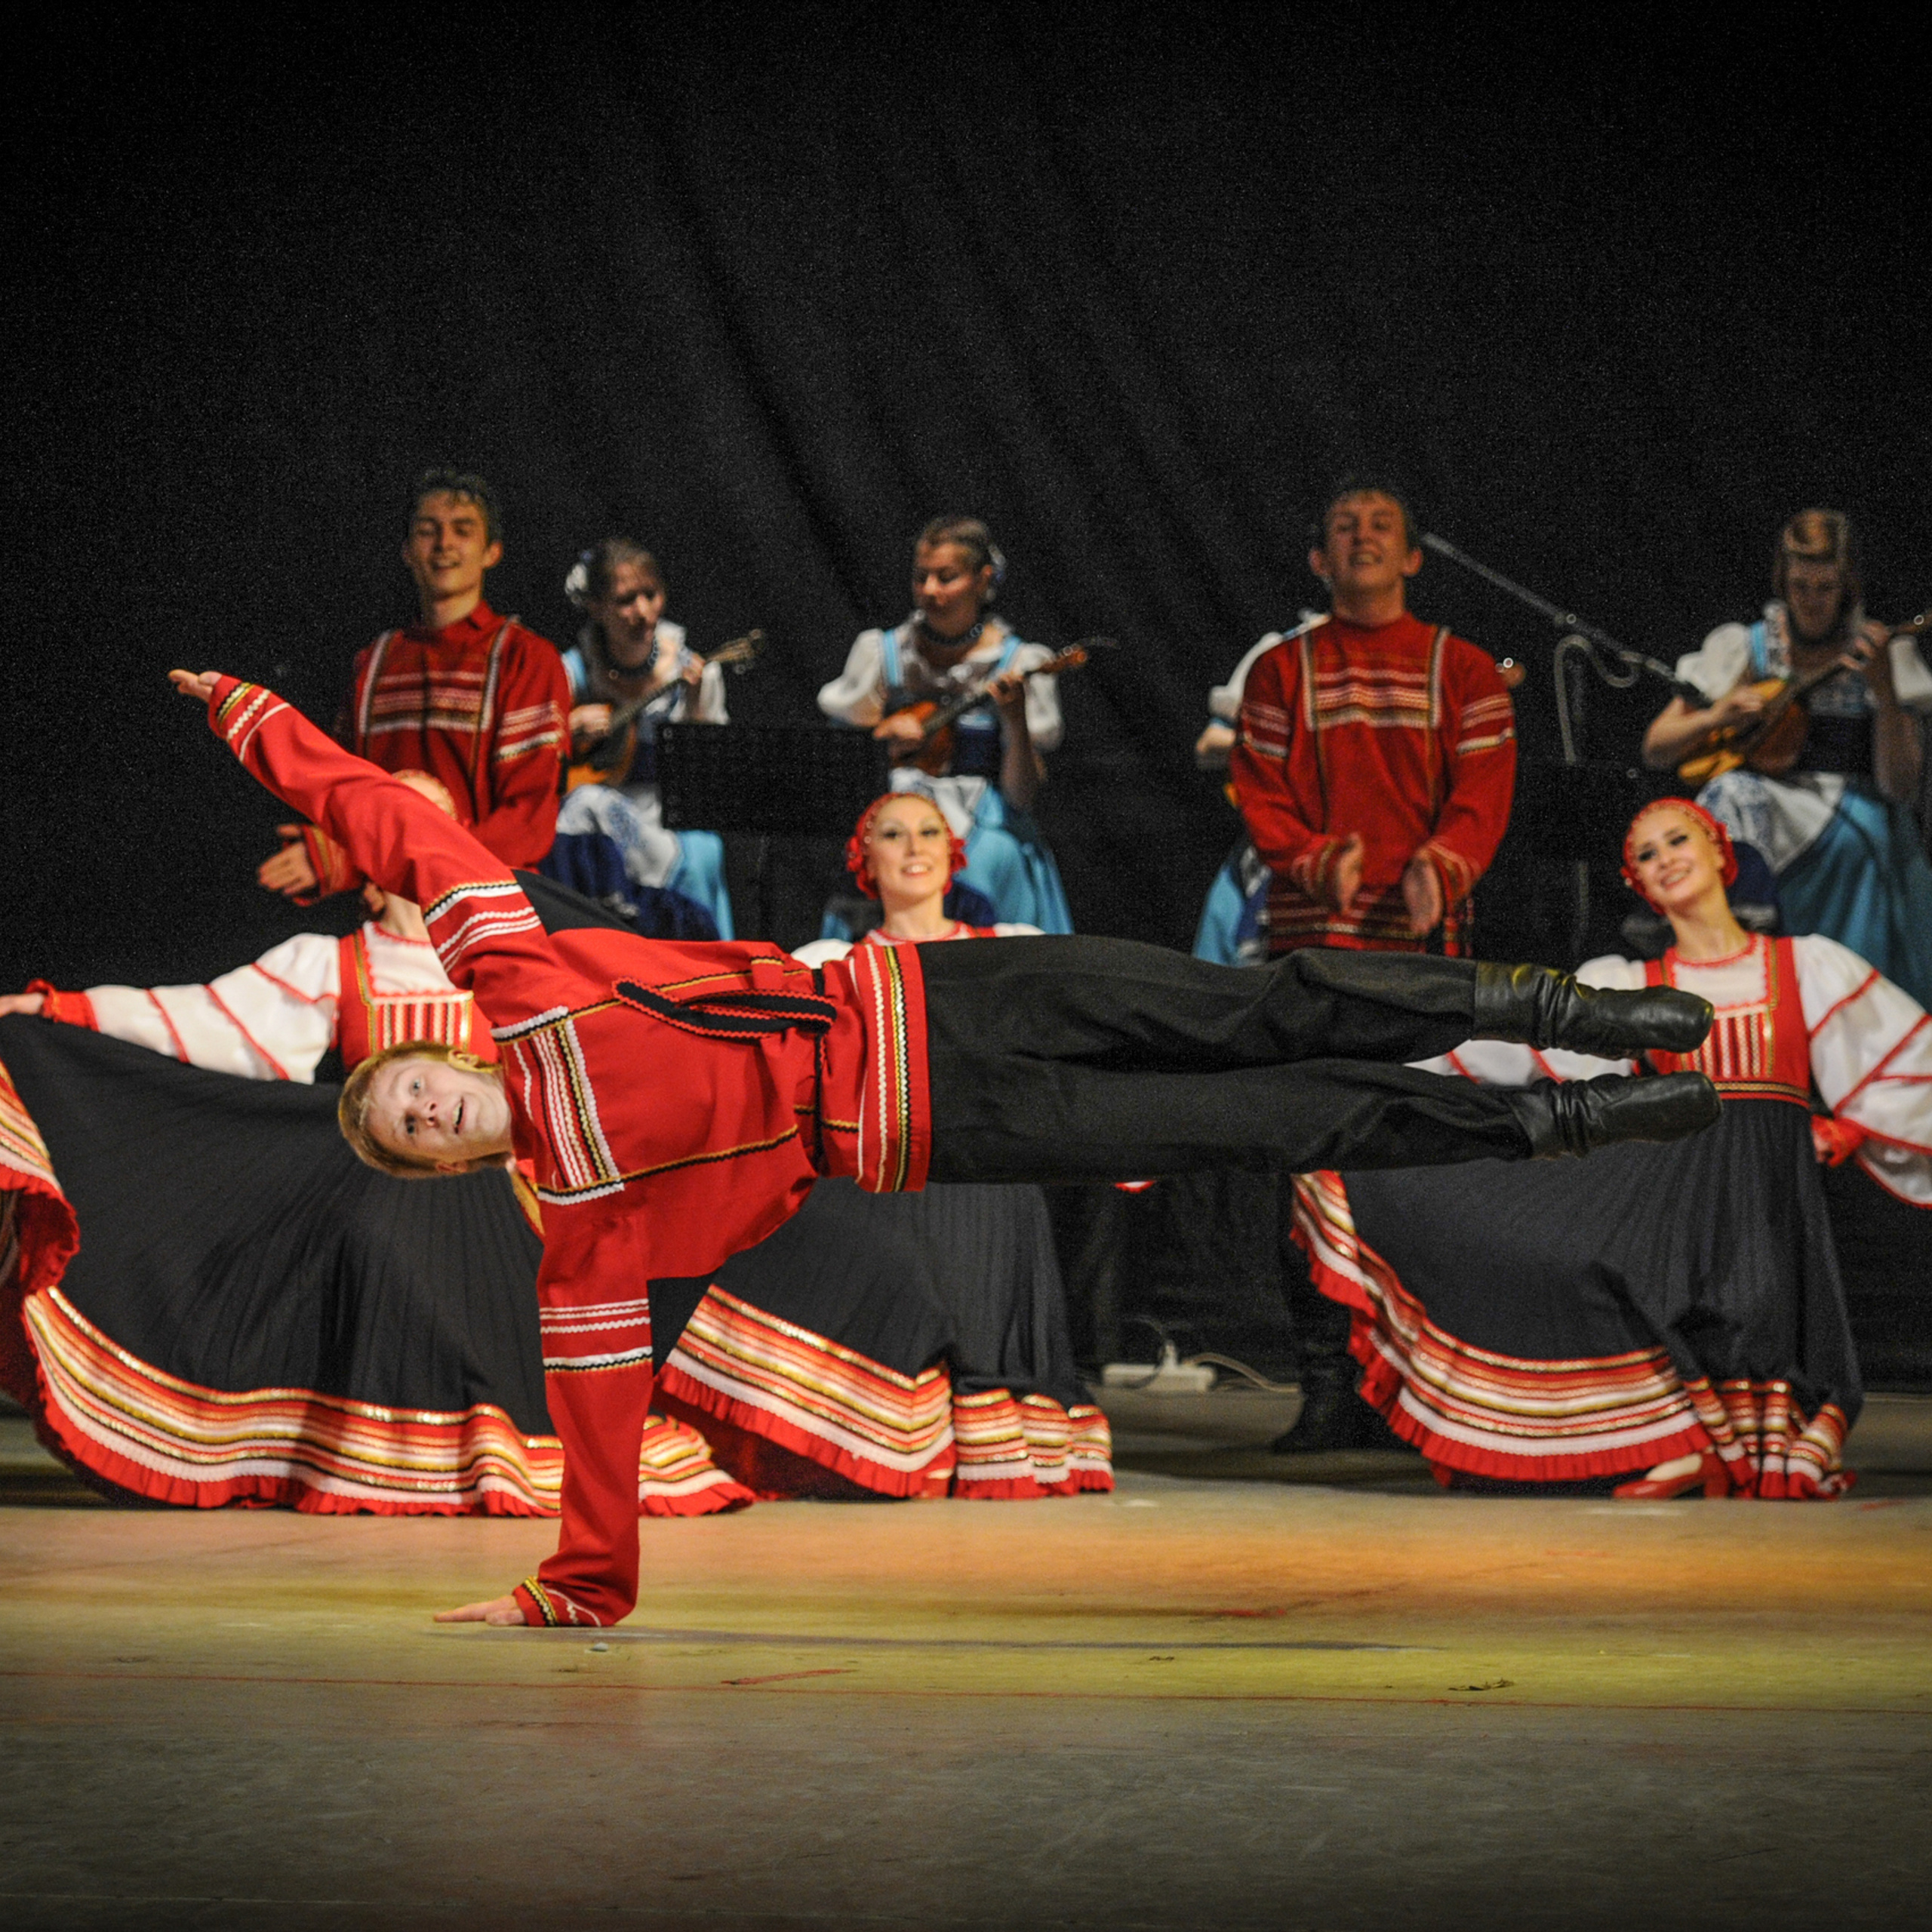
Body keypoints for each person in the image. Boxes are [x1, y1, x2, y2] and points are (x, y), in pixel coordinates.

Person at [172, 666, 1718, 1627]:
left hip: (938, 987)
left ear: (435, 1052)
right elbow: (594, 1410)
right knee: (1273, 1117)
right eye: (414, 1138)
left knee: (1259, 1005)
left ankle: (1565, 1008)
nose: (427, 1112)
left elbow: (413, 833)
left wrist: (258, 726)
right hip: (953, 1124)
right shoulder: (584, 1229)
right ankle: (1556, 1113)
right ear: (447, 1168)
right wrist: (577, 1585)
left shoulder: (521, 984)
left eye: (409, 1092)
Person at [0, 776, 749, 1519]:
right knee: (364, 1183)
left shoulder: (523, 953)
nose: (412, 834)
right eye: (389, 819)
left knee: (414, 1195)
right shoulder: (332, 964)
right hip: (388, 1209)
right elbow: (199, 1022)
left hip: (520, 1222)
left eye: (430, 820)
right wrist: (47, 1010)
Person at [1291, 799, 1932, 1500]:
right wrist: (1366, 1074)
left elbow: (1912, 1060)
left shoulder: (1806, 966)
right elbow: (1505, 1053)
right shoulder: (1629, 986)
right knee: (1624, 1281)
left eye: (1678, 841)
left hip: (1764, 1189)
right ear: (1640, 887)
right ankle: (1685, 1442)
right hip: (1672, 1192)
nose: (1667, 860)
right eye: (1648, 856)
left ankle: (1713, 1444)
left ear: (1721, 852)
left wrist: (1849, 1129)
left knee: (1752, 1306)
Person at [657, 792, 1108, 1500]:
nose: (913, 847)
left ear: (954, 853)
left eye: (928, 832)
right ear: (865, 860)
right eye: (892, 835)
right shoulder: (832, 960)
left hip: (983, 1173)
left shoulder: (1009, 946)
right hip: (876, 1174)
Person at [1229, 479, 1518, 1451]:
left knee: (1417, 1161)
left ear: (1412, 558)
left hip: (1425, 948)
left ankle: (1423, 1386)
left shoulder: (1463, 668)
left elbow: (1484, 793)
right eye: (1342, 528)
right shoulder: (1281, 672)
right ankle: (1325, 1384)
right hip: (1315, 947)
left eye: (1379, 527)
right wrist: (1315, 857)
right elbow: (1259, 792)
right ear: (1318, 560)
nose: (1360, 540)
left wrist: (1443, 864)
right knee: (1310, 1159)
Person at [1641, 509, 1932, 1007]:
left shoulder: (1880, 652)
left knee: (1870, 840)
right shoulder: (1750, 647)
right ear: (1783, 581)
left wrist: (1883, 692)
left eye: (1825, 588)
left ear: (1848, 586)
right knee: (1728, 792)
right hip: (1767, 805)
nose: (1812, 602)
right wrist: (1717, 718)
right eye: (1801, 587)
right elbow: (1657, 749)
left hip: (1852, 808)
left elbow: (1900, 787)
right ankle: (1743, 928)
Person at [257, 469, 571, 904]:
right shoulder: (375, 660)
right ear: (406, 551)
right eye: (428, 531)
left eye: (463, 531)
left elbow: (527, 823)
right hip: (387, 907)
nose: (444, 544)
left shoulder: (525, 658)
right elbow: (347, 792)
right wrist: (333, 849)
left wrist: (364, 861)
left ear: (492, 551)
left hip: (487, 905)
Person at [817, 516, 1073, 933]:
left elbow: (1022, 796)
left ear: (982, 579)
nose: (930, 591)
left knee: (980, 865)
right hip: (896, 810)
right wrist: (881, 739)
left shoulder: (1019, 662)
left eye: (946, 577)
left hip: (987, 817)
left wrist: (1015, 722)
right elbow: (839, 769)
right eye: (921, 578)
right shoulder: (882, 654)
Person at [545, 538, 735, 939]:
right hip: (599, 805)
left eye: (651, 595)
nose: (643, 612)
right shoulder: (574, 671)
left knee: (703, 852)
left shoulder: (688, 668)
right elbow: (534, 748)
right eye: (626, 600)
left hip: (670, 811)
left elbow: (710, 763)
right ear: (597, 606)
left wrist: (697, 702)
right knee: (584, 807)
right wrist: (569, 727)